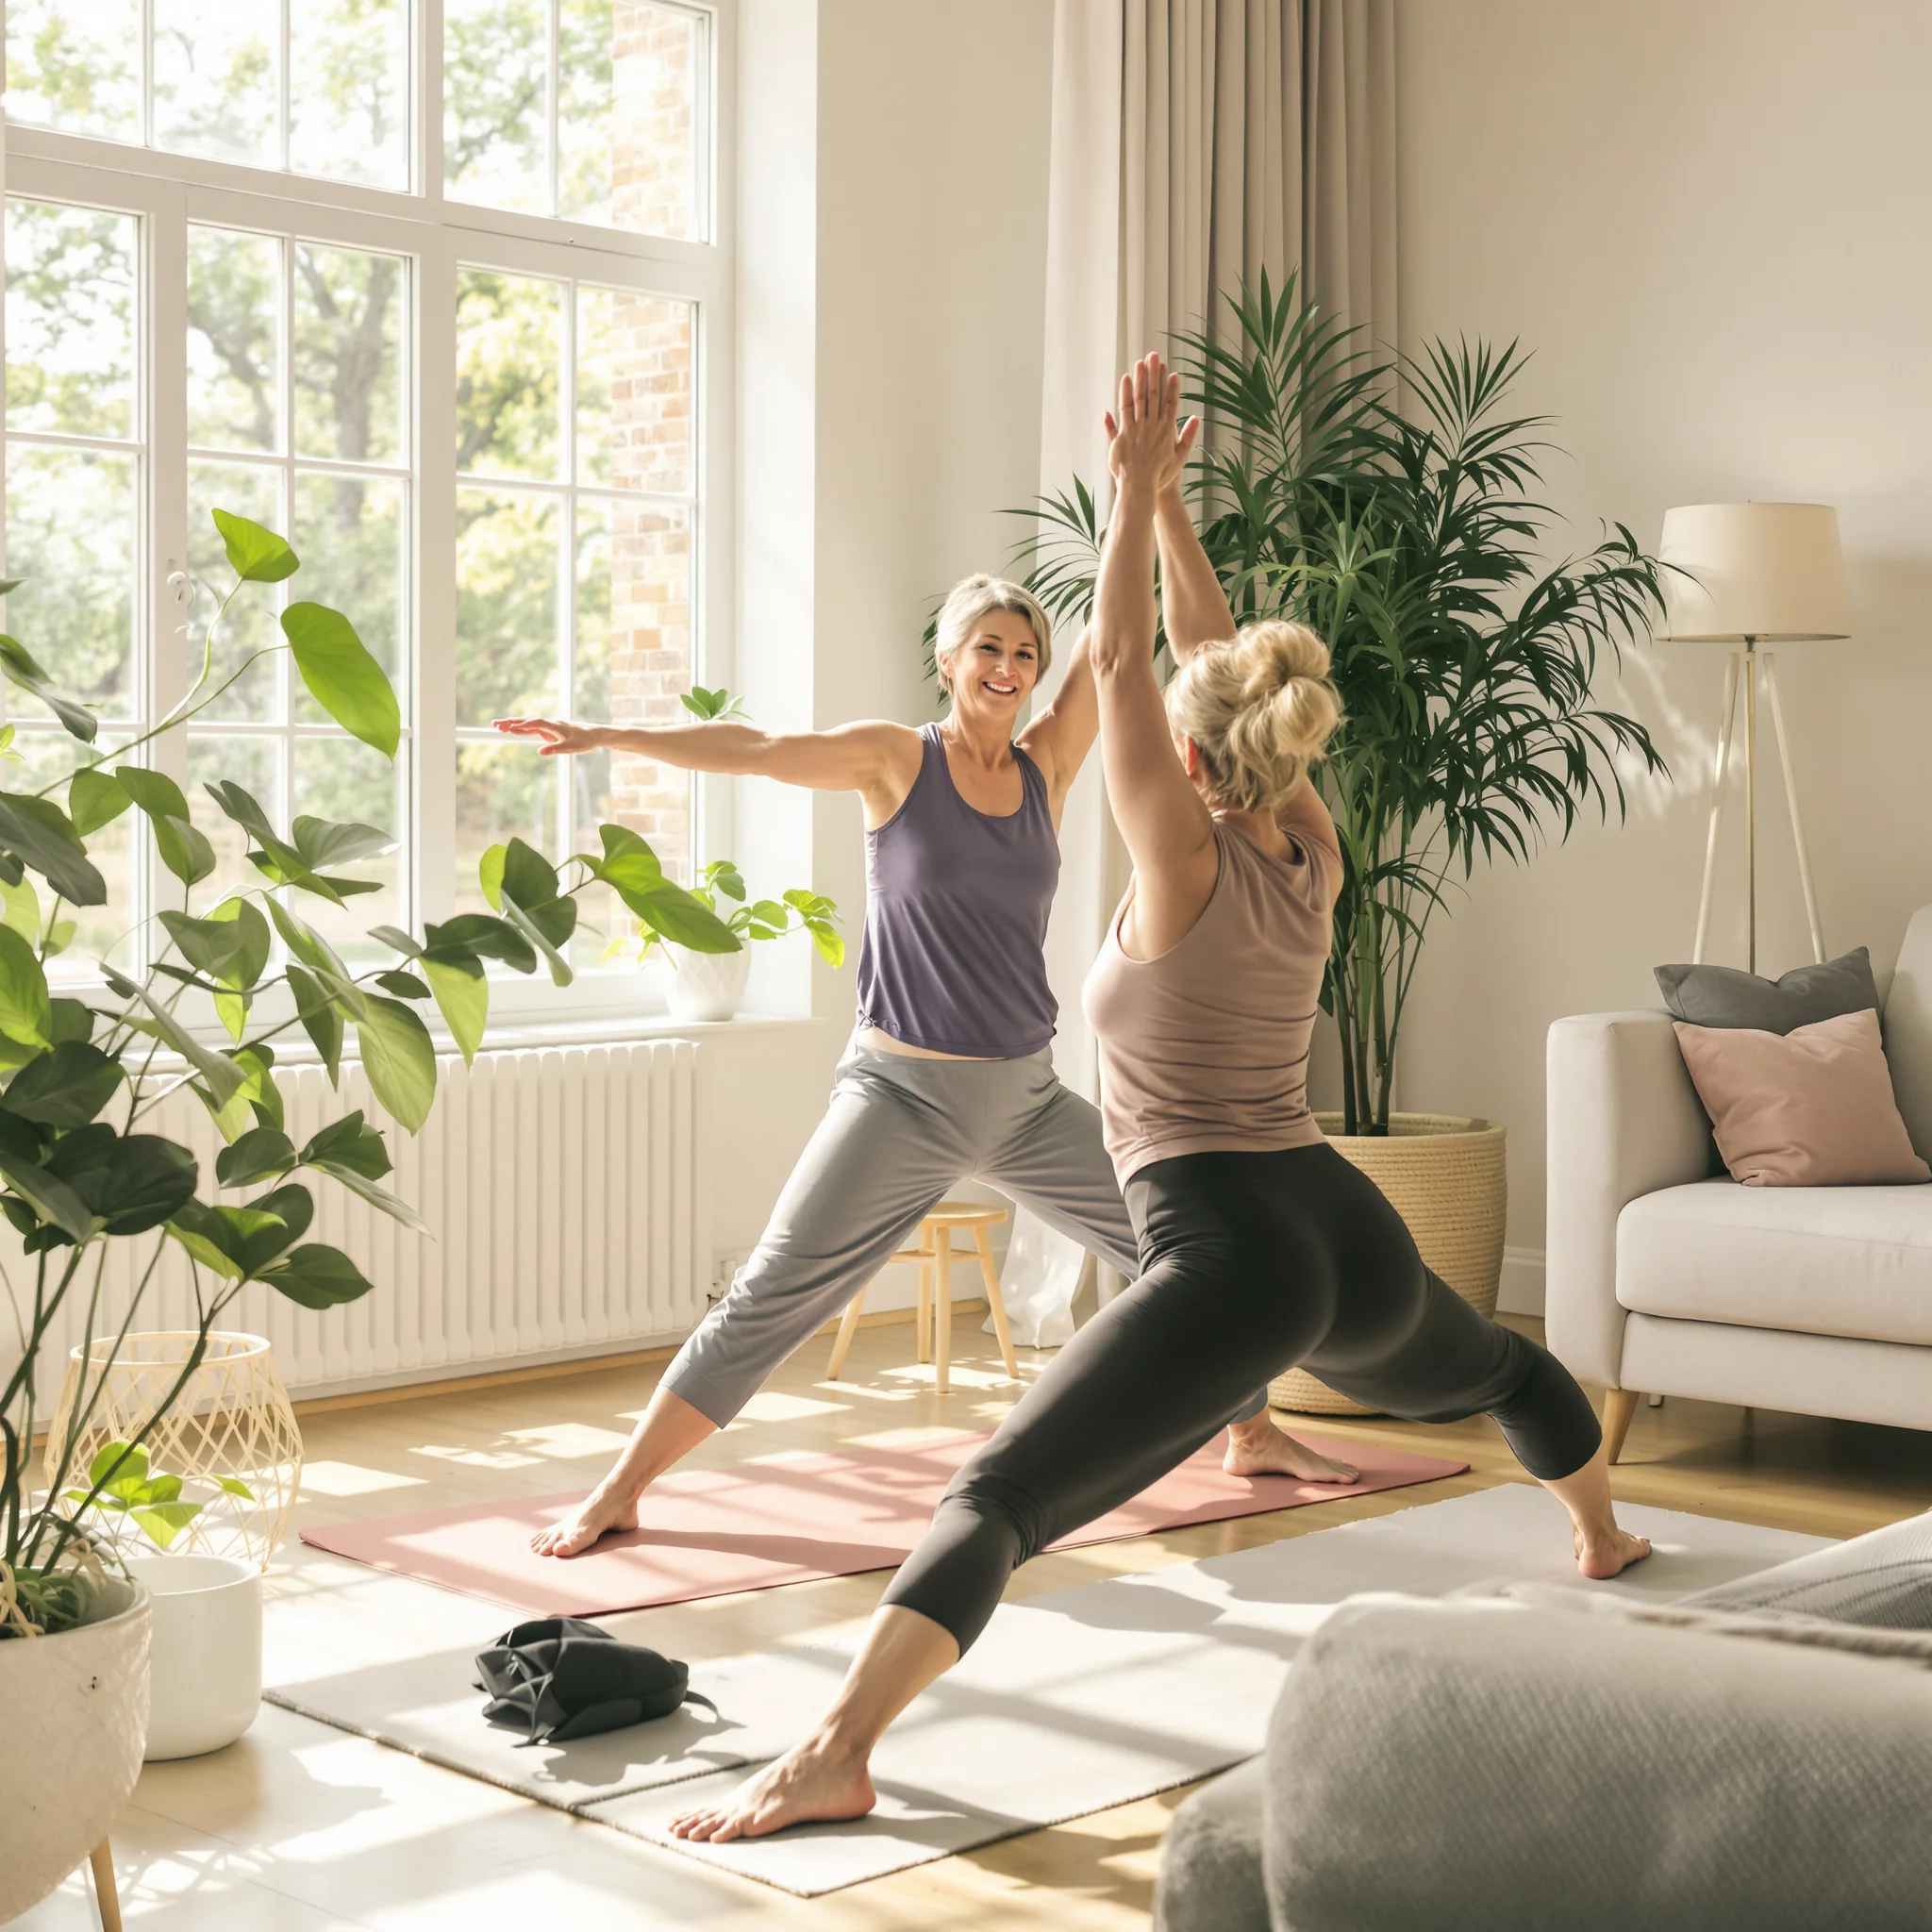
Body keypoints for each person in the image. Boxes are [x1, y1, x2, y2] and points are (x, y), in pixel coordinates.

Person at [664, 352, 1651, 1846]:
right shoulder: (1309, 845)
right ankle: (1606, 1532)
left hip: (1227, 1256)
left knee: (998, 1490)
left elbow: (1127, 670)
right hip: (1348, 1229)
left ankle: (834, 1749)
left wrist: (1132, 496)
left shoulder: (1179, 860)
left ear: (1188, 763)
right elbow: (1205, 663)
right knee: (1503, 1372)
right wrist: (1180, 517)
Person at [493, 560, 1352, 1560]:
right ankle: (621, 1486)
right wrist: (607, 735)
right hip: (901, 1094)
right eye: (987, 645)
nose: (1008, 665)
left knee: (1186, 1250)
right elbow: (759, 749)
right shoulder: (895, 760)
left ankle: (1250, 1432)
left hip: (1026, 1095)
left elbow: (1117, 646)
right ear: (947, 658)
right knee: (773, 1290)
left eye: (1024, 651)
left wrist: (1140, 492)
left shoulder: (1047, 763)